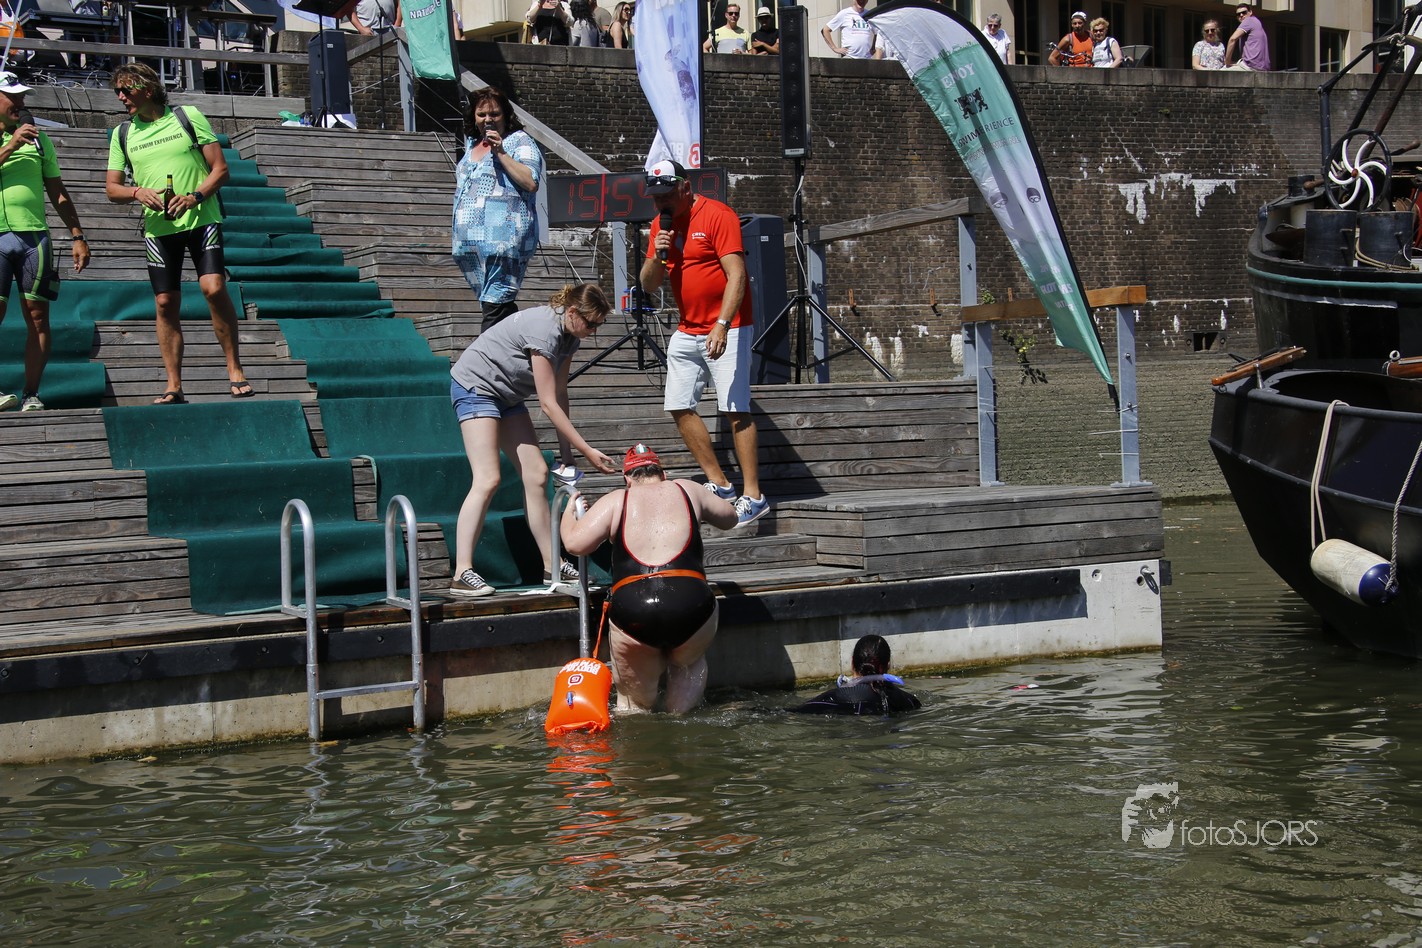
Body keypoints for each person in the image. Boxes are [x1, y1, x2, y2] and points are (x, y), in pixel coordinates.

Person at [448, 283, 619, 599]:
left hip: (507, 395)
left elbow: (560, 392)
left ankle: (551, 565)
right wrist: (587, 450)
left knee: (538, 474)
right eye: (591, 323)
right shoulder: (545, 330)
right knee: (488, 478)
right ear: (572, 312)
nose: (593, 331)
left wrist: (568, 454)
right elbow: (547, 403)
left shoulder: (571, 335)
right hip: (476, 388)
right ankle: (461, 572)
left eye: (599, 324)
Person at [104, 63, 251, 405]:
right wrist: (137, 192)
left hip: (201, 217)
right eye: (117, 91)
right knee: (165, 302)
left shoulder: (187, 116)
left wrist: (194, 197)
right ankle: (174, 385)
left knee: (213, 287)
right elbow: (112, 188)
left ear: (148, 89)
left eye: (126, 89)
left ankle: (235, 369)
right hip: (159, 228)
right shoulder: (122, 134)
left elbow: (221, 170)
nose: (121, 97)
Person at [559, 442, 738, 713]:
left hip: (634, 609)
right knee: (688, 679)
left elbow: (575, 544)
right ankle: (682, 718)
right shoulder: (688, 489)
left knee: (635, 707)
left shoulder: (617, 499)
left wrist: (568, 514)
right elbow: (730, 518)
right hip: (691, 603)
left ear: (627, 478)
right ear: (663, 474)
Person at [639, 159, 769, 529]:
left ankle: (754, 496)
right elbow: (648, 284)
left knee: (734, 408)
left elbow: (737, 275)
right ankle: (721, 484)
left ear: (685, 187)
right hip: (687, 328)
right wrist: (658, 254)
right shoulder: (660, 225)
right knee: (678, 404)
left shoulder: (717, 215)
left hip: (728, 325)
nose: (661, 202)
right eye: (656, 196)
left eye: (667, 194)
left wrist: (722, 325)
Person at [0, 71, 90, 413]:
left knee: (38, 318)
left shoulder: (39, 140)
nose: (20, 102)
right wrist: (10, 145)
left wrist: (77, 235)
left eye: (22, 96)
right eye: (13, 96)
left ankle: (31, 394)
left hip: (34, 238)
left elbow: (58, 191)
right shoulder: (15, 140)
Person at [452, 88, 544, 333]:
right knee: (495, 306)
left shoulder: (520, 141)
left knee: (496, 304)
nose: (488, 119)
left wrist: (501, 152)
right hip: (471, 246)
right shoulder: (472, 145)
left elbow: (530, 181)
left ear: (506, 114)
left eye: (494, 113)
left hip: (503, 241)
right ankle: (512, 348)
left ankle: (486, 354)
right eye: (481, 114)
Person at [792, 634, 921, 715]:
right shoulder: (909, 701)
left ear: (852, 662)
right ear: (888, 665)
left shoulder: (836, 697)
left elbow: (792, 712)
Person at [1226, 3, 1270, 72]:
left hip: (1250, 66)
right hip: (1263, 68)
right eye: (1238, 14)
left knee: (1217, 73)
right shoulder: (1257, 22)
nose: (1241, 15)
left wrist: (1227, 62)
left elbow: (1232, 39)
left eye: (1244, 12)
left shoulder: (1249, 20)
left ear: (1250, 12)